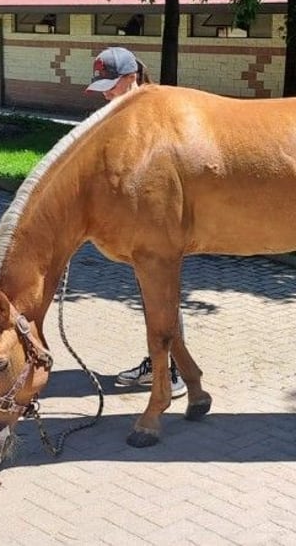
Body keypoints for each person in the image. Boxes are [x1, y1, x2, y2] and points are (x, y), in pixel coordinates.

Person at [85, 47, 188, 398]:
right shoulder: (124, 117)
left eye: (113, 85)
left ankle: (172, 372)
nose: (108, 94)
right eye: (103, 87)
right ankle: (159, 362)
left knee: (161, 291)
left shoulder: (153, 120)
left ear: (133, 79)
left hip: (160, 226)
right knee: (152, 292)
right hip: (140, 226)